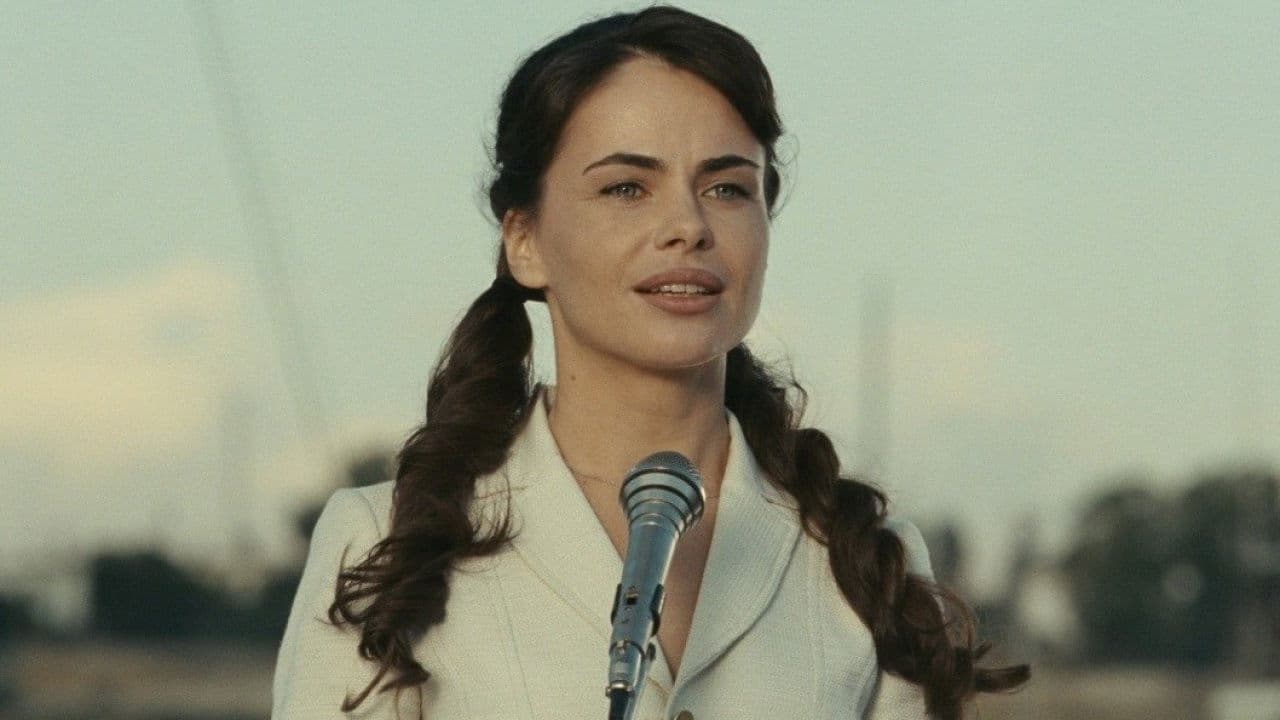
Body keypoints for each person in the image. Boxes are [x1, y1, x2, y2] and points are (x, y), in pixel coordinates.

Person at [271, 6, 1028, 719]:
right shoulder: (382, 542)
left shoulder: (863, 560)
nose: (687, 225)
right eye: (627, 188)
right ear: (524, 241)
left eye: (727, 188)